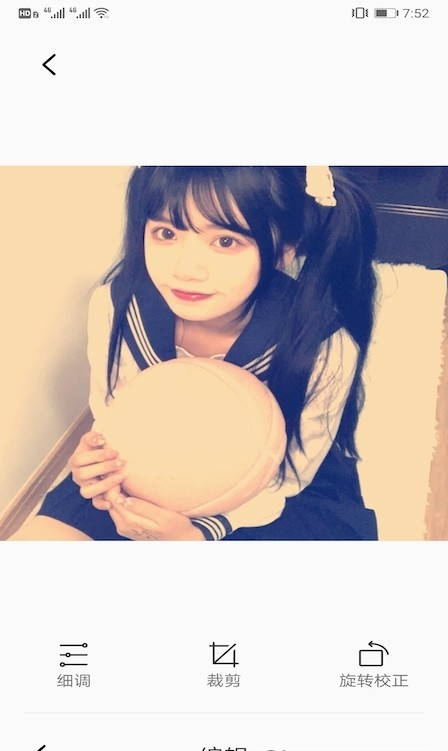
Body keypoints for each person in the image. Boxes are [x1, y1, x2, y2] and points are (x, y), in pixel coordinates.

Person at [10, 166, 378, 541]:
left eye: (225, 242)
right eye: (167, 233)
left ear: (283, 250)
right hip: (144, 474)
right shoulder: (117, 306)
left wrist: (197, 534)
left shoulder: (321, 345)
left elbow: (289, 477)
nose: (186, 270)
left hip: (260, 495)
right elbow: (113, 413)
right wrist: (101, 467)